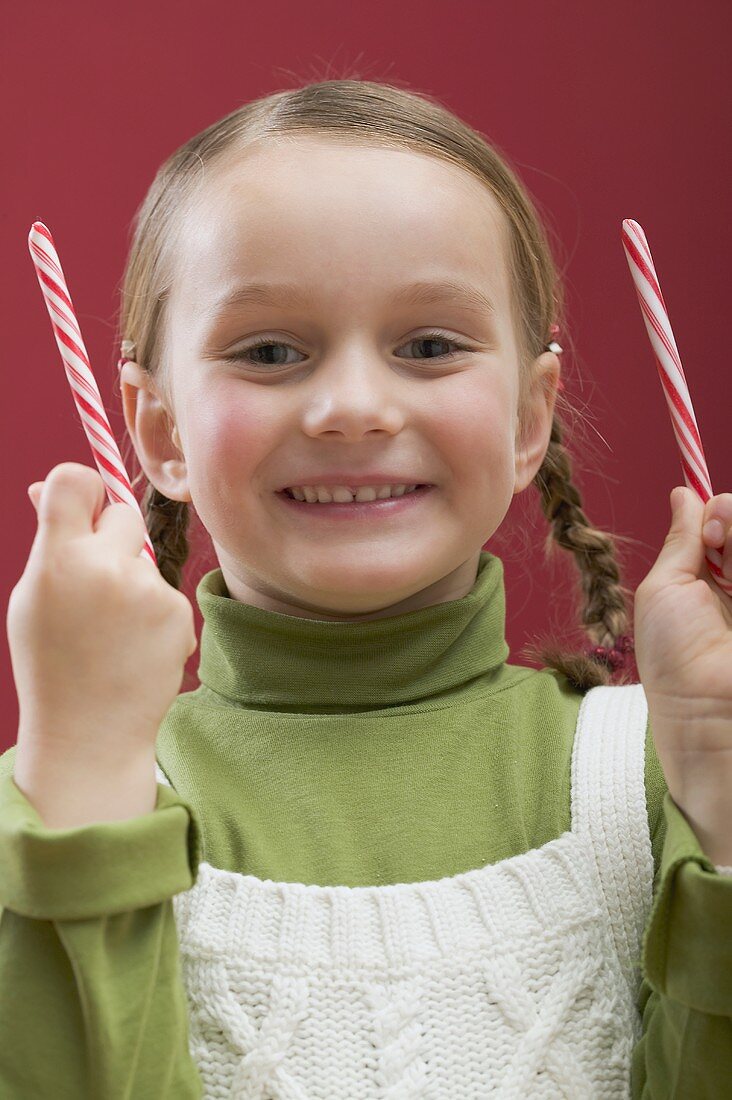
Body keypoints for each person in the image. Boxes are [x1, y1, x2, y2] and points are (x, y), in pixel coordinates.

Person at [1, 78, 730, 1098]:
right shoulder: (62, 797)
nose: (351, 407)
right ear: (160, 430)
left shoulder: (665, 772)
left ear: (531, 418)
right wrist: (77, 778)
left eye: (429, 346)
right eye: (269, 351)